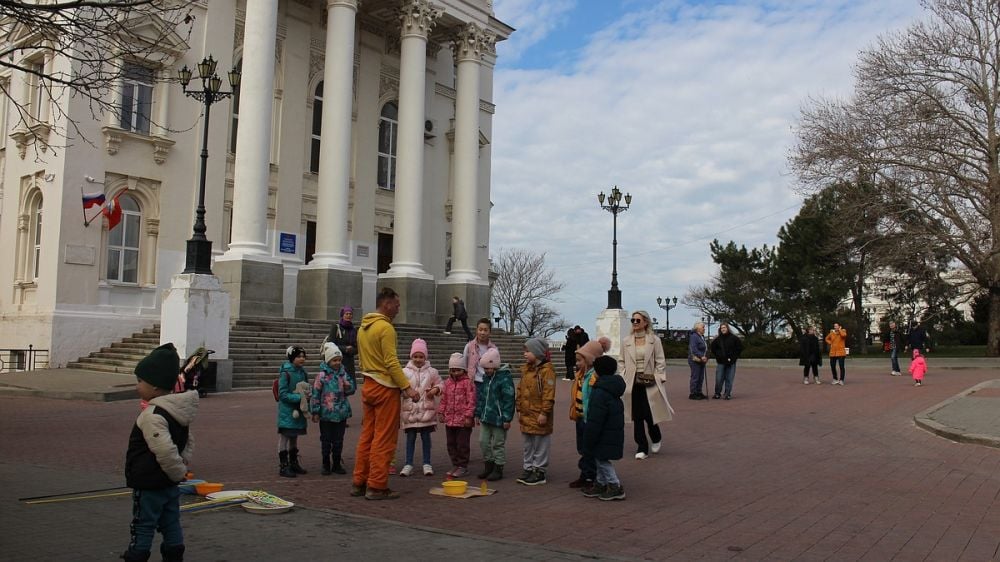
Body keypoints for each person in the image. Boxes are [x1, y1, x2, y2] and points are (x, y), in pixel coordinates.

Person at [122, 343, 198, 562]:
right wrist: (181, 467)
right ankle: (174, 555)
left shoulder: (153, 415)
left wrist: (176, 471)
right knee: (171, 521)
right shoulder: (177, 410)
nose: (137, 386)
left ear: (155, 387)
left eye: (140, 381)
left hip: (150, 482)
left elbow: (164, 450)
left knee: (143, 524)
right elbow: (187, 442)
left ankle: (137, 555)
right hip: (169, 483)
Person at [352, 287, 420, 500]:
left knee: (367, 436)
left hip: (368, 384)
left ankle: (359, 481)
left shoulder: (363, 327)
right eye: (397, 305)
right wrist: (407, 387)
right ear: (386, 304)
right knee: (384, 438)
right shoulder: (386, 328)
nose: (398, 309)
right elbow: (391, 362)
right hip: (385, 388)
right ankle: (377, 485)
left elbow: (363, 358)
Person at [618, 310, 672, 460]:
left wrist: (659, 376)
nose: (635, 323)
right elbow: (621, 361)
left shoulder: (654, 340)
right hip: (632, 380)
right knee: (636, 414)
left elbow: (660, 360)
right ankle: (641, 446)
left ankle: (656, 436)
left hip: (649, 378)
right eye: (633, 320)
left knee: (649, 411)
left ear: (645, 322)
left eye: (638, 320)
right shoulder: (626, 341)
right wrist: (623, 375)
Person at [582, 355, 626, 501]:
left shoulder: (600, 391)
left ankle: (615, 485)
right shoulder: (613, 388)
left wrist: (589, 435)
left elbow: (596, 418)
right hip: (611, 431)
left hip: (603, 433)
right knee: (599, 458)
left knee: (602, 460)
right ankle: (600, 483)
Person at [568, 337, 611, 490]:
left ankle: (591, 476)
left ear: (590, 359)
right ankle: (586, 473)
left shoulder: (594, 377)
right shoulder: (580, 375)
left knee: (590, 448)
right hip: (580, 417)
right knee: (583, 448)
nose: (577, 363)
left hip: (590, 419)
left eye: (580, 360)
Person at [310, 342, 357, 476]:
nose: (337, 363)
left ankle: (336, 463)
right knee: (326, 440)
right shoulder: (322, 376)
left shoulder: (343, 374)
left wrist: (349, 386)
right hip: (326, 413)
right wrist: (315, 411)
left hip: (341, 413)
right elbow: (316, 394)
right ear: (328, 360)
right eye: (334, 360)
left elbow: (351, 390)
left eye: (339, 360)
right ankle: (326, 464)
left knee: (338, 440)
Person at [515, 337, 557, 485]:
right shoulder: (526, 370)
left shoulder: (547, 371)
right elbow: (520, 390)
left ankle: (539, 471)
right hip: (526, 414)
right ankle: (528, 468)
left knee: (540, 444)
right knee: (528, 445)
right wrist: (519, 408)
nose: (524, 354)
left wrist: (544, 412)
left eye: (528, 351)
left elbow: (548, 394)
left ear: (537, 353)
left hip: (539, 414)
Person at [399, 338, 443, 477]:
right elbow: (399, 387)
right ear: (411, 356)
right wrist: (405, 392)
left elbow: (441, 384)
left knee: (426, 438)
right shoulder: (404, 372)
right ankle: (408, 463)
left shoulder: (432, 372)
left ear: (425, 357)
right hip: (410, 411)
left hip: (426, 412)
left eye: (421, 356)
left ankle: (427, 463)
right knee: (410, 438)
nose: (418, 359)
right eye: (415, 356)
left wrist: (435, 390)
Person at [474, 348, 515, 482]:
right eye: (485, 368)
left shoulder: (504, 379)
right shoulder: (486, 378)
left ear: (495, 366)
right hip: (486, 417)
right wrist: (478, 413)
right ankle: (489, 464)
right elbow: (481, 397)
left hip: (499, 418)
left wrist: (507, 418)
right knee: (483, 442)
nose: (487, 371)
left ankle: (498, 467)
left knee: (498, 444)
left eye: (489, 368)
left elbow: (509, 399)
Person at [277, 346, 310, 478]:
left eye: (303, 356)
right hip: (287, 411)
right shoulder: (285, 373)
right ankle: (283, 465)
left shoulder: (303, 372)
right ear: (292, 358)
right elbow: (283, 394)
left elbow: (306, 388)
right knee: (285, 437)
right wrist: (299, 398)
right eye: (298, 356)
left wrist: (308, 397)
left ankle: (293, 462)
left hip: (298, 411)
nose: (302, 358)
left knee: (294, 437)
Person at [441, 352, 476, 478]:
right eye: (452, 370)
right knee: (451, 443)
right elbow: (443, 398)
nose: (455, 373)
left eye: (458, 370)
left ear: (463, 370)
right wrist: (441, 412)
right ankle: (455, 464)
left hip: (463, 421)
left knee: (462, 444)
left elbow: (471, 400)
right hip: (450, 419)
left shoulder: (468, 383)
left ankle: (463, 466)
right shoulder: (447, 383)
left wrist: (468, 416)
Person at [709, 323, 743, 400]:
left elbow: (739, 349)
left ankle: (727, 393)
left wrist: (733, 358)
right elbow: (713, 349)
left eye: (724, 327)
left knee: (729, 379)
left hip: (731, 362)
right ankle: (717, 393)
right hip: (721, 362)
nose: (723, 329)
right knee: (719, 378)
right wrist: (719, 356)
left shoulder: (734, 338)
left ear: (727, 328)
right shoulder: (717, 339)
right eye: (721, 328)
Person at [463, 318, 498, 393]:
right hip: (473, 382)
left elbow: (496, 367)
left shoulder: (494, 349)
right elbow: (464, 365)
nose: (482, 332)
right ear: (476, 330)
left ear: (490, 332)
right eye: (480, 329)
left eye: (485, 330)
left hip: (489, 382)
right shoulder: (469, 346)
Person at [328, 306, 358, 377]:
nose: (348, 316)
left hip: (349, 363)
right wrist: (345, 348)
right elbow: (330, 344)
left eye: (350, 314)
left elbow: (357, 348)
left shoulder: (354, 330)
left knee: (349, 385)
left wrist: (352, 350)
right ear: (342, 315)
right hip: (337, 361)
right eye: (346, 314)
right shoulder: (336, 327)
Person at [687, 322, 709, 399]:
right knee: (695, 376)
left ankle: (699, 392)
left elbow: (705, 348)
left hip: (701, 360)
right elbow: (694, 349)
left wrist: (706, 357)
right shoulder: (694, 336)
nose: (704, 328)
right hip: (695, 360)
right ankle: (693, 393)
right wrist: (701, 356)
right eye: (703, 327)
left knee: (701, 377)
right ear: (698, 328)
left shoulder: (701, 336)